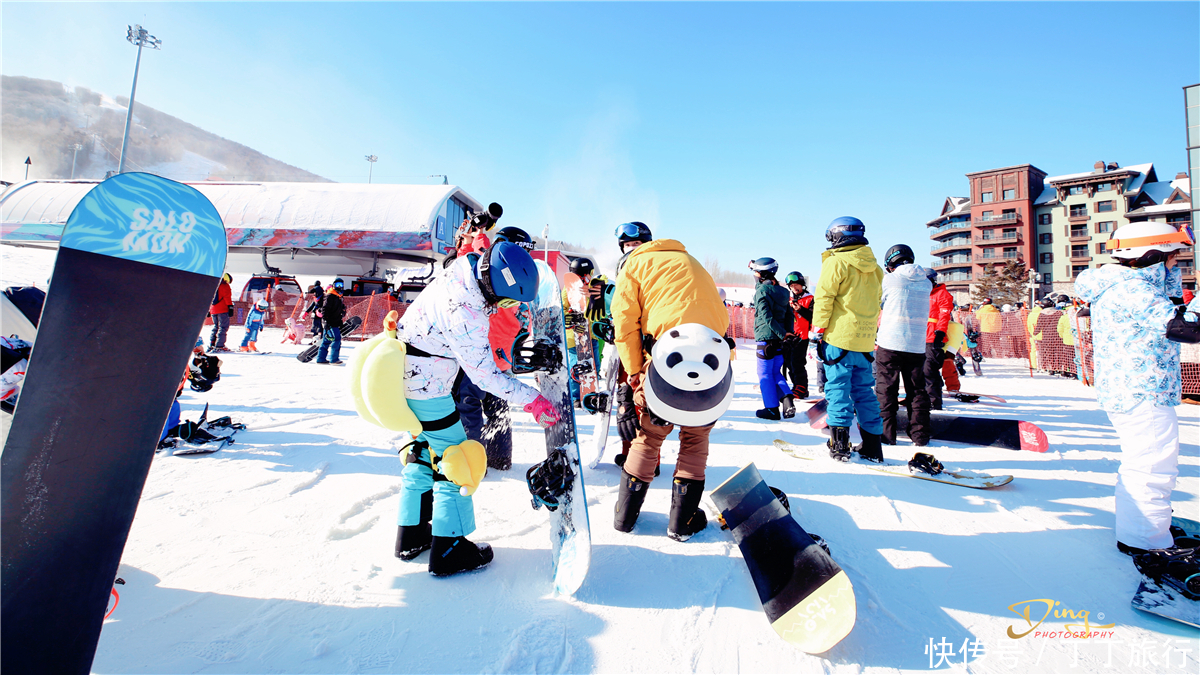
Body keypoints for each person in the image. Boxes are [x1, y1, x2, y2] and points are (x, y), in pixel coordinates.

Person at [395, 240, 560, 576]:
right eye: (510, 300)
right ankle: (450, 549)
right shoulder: (467, 314)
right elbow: (485, 376)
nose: (507, 307)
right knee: (458, 460)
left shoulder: (463, 268)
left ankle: (411, 534)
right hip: (428, 388)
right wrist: (532, 398)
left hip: (407, 377)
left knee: (422, 454)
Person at [1075, 221, 1199, 557]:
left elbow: (1170, 306)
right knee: (1152, 465)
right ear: (1150, 256)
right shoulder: (1133, 289)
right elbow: (1182, 329)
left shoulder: (1123, 284)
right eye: (1171, 260)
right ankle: (1146, 540)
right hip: (1143, 391)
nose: (1175, 266)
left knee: (1144, 461)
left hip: (1134, 388)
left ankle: (1141, 528)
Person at [610, 230, 730, 541]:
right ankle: (682, 522)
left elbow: (624, 327)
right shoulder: (693, 264)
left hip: (664, 367)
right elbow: (721, 321)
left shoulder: (633, 268)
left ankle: (625, 518)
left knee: (648, 436)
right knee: (696, 437)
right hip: (710, 369)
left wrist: (635, 373)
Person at [453, 225, 536, 471]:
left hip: (480, 356)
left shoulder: (495, 275)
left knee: (468, 407)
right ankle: (500, 458)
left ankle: (471, 464)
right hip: (503, 357)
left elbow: (467, 268)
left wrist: (470, 240)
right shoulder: (521, 281)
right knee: (498, 407)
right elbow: (525, 324)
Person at [811, 216, 885, 461]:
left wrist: (818, 329)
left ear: (838, 235)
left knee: (838, 389)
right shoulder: (875, 267)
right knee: (864, 391)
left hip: (840, 338)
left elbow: (824, 298)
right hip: (864, 341)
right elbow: (876, 303)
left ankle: (840, 445)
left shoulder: (836, 262)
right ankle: (873, 446)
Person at [874, 244, 931, 447]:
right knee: (917, 390)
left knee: (886, 390)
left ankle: (886, 435)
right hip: (916, 345)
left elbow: (878, 302)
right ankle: (920, 435)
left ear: (890, 263)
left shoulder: (889, 280)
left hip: (890, 342)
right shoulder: (926, 282)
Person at [612, 222, 655, 468]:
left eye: (636, 244)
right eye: (627, 245)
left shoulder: (652, 268)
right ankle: (629, 451)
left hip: (645, 344)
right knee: (625, 401)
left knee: (643, 401)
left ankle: (648, 458)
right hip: (626, 342)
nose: (631, 249)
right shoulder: (623, 268)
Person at [750, 257, 794, 419]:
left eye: (756, 272)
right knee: (775, 371)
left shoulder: (762, 291)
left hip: (766, 338)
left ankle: (771, 409)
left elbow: (766, 317)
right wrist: (787, 334)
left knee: (764, 374)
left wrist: (782, 334)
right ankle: (787, 398)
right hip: (780, 340)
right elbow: (789, 315)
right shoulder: (783, 292)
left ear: (762, 274)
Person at [924, 269, 954, 409]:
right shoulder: (922, 294)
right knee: (918, 370)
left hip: (933, 337)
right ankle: (920, 397)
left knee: (929, 370)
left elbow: (944, 315)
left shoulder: (941, 294)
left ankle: (934, 401)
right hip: (920, 336)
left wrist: (940, 332)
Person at [783, 271, 813, 398]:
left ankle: (802, 387)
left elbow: (813, 317)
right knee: (789, 362)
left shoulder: (810, 299)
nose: (794, 288)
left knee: (798, 362)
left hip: (802, 336)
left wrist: (800, 309)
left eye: (796, 285)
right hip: (790, 335)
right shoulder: (789, 299)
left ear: (802, 284)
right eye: (791, 286)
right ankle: (795, 385)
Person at [316, 278, 346, 365]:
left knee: (327, 340)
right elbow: (325, 309)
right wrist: (326, 322)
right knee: (336, 339)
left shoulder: (339, 296)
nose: (339, 287)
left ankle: (320, 359)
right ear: (333, 285)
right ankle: (334, 359)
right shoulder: (330, 296)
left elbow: (337, 309)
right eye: (337, 285)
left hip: (335, 321)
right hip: (330, 322)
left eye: (341, 285)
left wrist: (342, 313)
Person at [209, 273, 233, 352]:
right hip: (222, 310)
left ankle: (212, 343)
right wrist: (230, 307)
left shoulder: (213, 284)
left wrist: (208, 309)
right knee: (223, 327)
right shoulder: (224, 286)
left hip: (213, 310)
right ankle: (220, 345)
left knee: (216, 326)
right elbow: (227, 298)